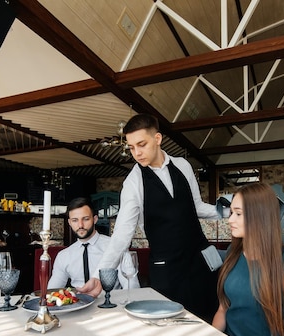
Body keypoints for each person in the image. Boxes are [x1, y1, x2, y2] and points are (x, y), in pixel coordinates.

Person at [80, 113, 220, 320]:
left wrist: (226, 211)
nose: (136, 153)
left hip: (200, 262)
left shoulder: (183, 165)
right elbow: (121, 236)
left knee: (209, 318)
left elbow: (196, 206)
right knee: (170, 325)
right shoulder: (133, 183)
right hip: (167, 269)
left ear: (158, 139)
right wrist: (99, 275)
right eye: (131, 147)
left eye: (141, 144)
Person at [212, 183, 284, 336]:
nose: (230, 220)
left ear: (259, 217)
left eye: (238, 214)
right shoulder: (233, 253)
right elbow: (223, 309)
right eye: (231, 213)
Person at [48, 197, 139, 291]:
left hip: (112, 303)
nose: (80, 225)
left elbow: (131, 286)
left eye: (86, 219)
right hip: (79, 303)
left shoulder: (115, 247)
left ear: (95, 219)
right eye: (75, 220)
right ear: (70, 222)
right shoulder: (64, 256)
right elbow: (52, 291)